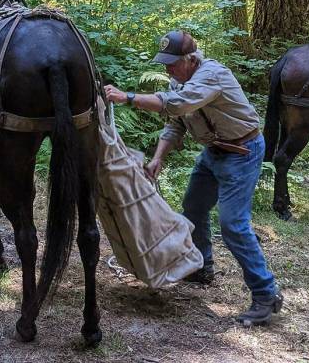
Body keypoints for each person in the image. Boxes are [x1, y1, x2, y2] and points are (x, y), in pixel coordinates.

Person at [103, 30, 283, 327]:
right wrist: (158, 157)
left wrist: (128, 98)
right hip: (214, 152)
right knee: (194, 209)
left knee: (233, 225)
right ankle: (202, 268)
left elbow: (178, 104)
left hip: (242, 151)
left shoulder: (211, 75)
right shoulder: (179, 80)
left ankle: (265, 295)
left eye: (172, 63)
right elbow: (176, 123)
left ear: (190, 58)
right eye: (165, 63)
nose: (167, 69)